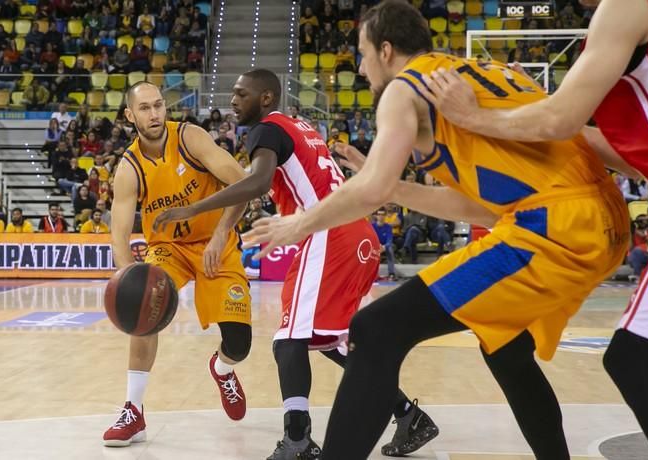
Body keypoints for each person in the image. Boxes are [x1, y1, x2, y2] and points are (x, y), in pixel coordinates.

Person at [241, 2, 631, 458]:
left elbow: (369, 191)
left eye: (364, 54)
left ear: (386, 51)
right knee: (502, 344)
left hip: (555, 226)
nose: (362, 69)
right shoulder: (483, 72)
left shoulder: (405, 90)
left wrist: (299, 224)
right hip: (604, 221)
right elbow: (480, 208)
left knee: (375, 328)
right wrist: (390, 185)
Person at [418, 0, 648, 456]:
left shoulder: (624, 7)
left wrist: (475, 117)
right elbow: (634, 163)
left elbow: (560, 120)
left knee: (635, 358)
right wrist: (532, 109)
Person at [153, 69, 438, 459]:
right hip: (358, 236)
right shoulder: (298, 125)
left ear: (266, 98)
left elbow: (256, 183)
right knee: (330, 341)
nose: (232, 101)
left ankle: (298, 439)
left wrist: (194, 207)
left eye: (240, 94)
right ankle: (408, 416)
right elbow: (260, 184)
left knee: (288, 338)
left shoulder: (265, 130)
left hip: (329, 233)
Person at [103, 82, 252, 447]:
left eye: (158, 106)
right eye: (145, 108)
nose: (154, 114)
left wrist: (220, 235)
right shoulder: (129, 166)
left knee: (240, 342)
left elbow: (243, 184)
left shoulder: (190, 138)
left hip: (216, 241)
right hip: (168, 248)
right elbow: (119, 235)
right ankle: (133, 410)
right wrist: (127, 281)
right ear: (130, 115)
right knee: (142, 309)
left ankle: (222, 369)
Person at [372, 208, 397, 281]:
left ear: (385, 216)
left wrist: (384, 246)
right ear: (376, 216)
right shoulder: (372, 226)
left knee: (390, 249)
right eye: (379, 214)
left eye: (383, 214)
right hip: (375, 245)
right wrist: (377, 246)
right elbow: (371, 238)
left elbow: (389, 239)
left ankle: (391, 273)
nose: (381, 216)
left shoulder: (388, 227)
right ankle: (372, 274)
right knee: (370, 250)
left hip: (385, 246)